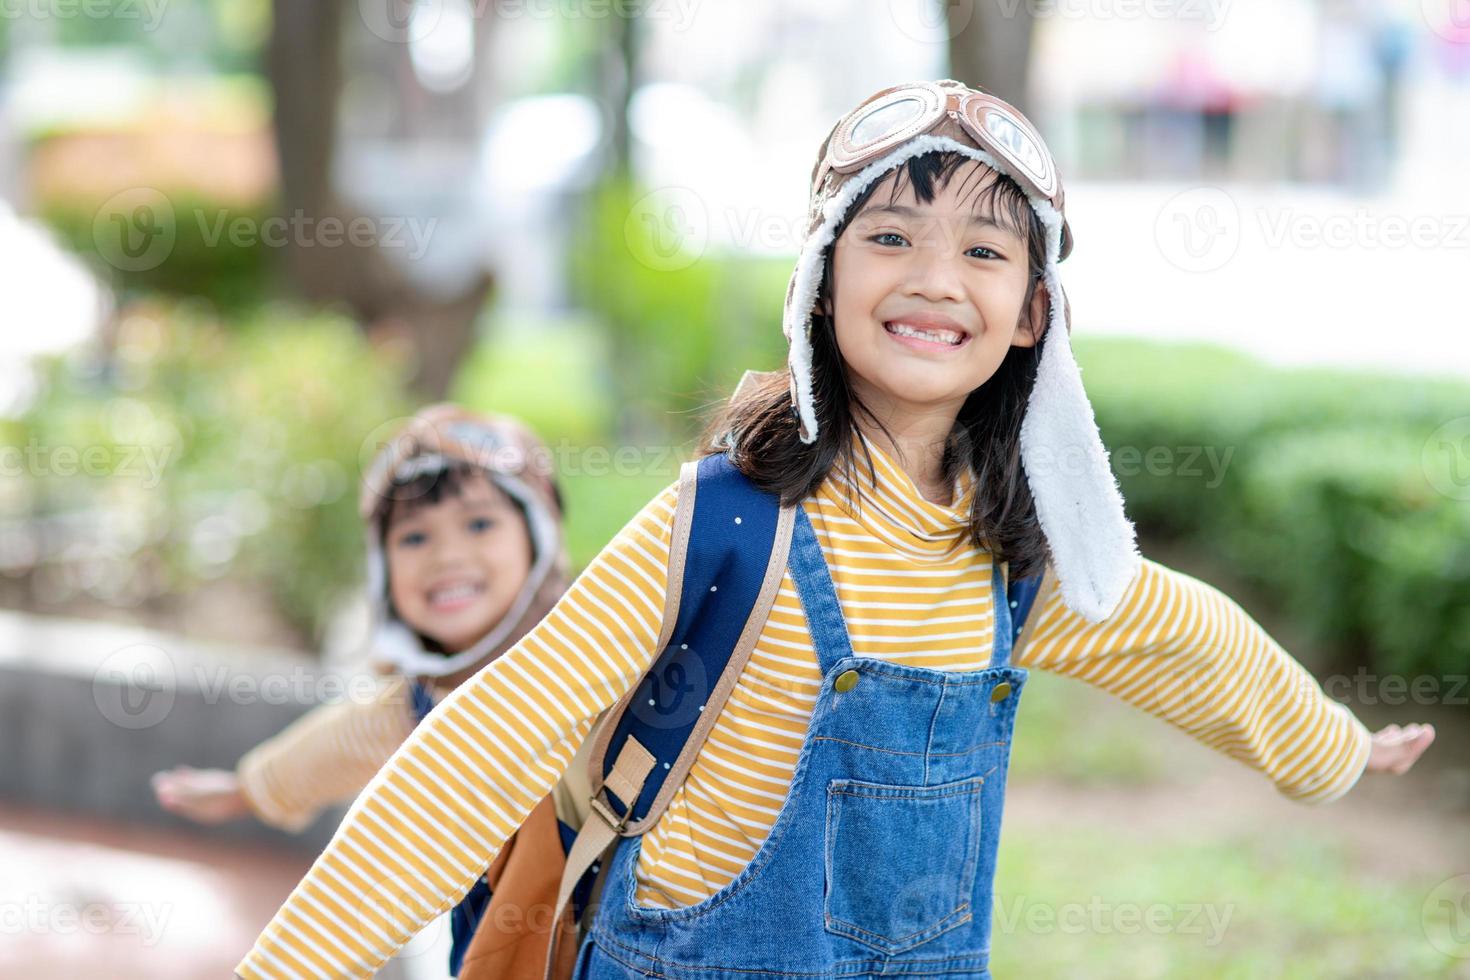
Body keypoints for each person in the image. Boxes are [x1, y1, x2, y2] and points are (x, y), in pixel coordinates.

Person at [234, 81, 1434, 980]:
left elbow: (1184, 640)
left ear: (1031, 315)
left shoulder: (1013, 559)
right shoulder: (721, 521)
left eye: (983, 249)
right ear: (821, 277)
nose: (934, 278)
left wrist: (1330, 749)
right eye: (890, 237)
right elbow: (477, 746)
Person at [152, 405, 590, 978]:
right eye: (413, 537)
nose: (447, 555)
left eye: (480, 524)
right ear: (383, 576)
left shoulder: (591, 653)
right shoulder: (419, 704)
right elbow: (334, 745)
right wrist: (243, 790)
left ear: (539, 537)